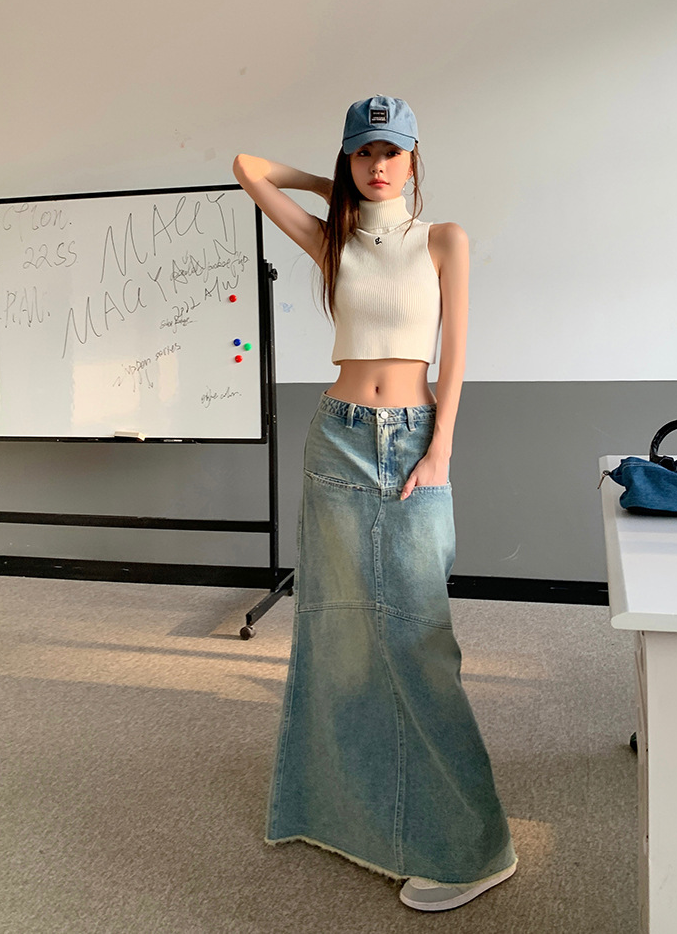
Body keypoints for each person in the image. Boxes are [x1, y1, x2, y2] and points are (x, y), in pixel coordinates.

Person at [233, 95, 516, 912]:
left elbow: (454, 353)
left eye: (391, 152)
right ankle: (355, 817)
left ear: (415, 158)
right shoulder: (335, 240)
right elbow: (249, 168)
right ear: (349, 159)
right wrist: (337, 192)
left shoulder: (444, 239)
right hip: (338, 438)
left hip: (415, 439)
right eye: (364, 153)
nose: (378, 164)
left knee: (419, 639)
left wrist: (441, 447)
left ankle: (477, 848)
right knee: (339, 633)